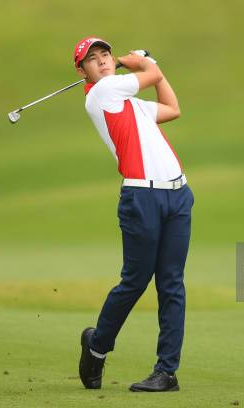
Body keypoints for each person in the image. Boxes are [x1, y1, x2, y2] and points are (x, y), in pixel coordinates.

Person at [74, 36, 194, 392]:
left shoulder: (133, 105)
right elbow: (152, 72)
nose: (103, 61)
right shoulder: (102, 93)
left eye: (106, 55)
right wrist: (136, 59)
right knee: (135, 282)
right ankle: (97, 346)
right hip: (141, 197)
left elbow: (172, 108)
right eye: (92, 60)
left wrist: (146, 65)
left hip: (178, 196)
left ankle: (166, 372)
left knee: (172, 284)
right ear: (84, 73)